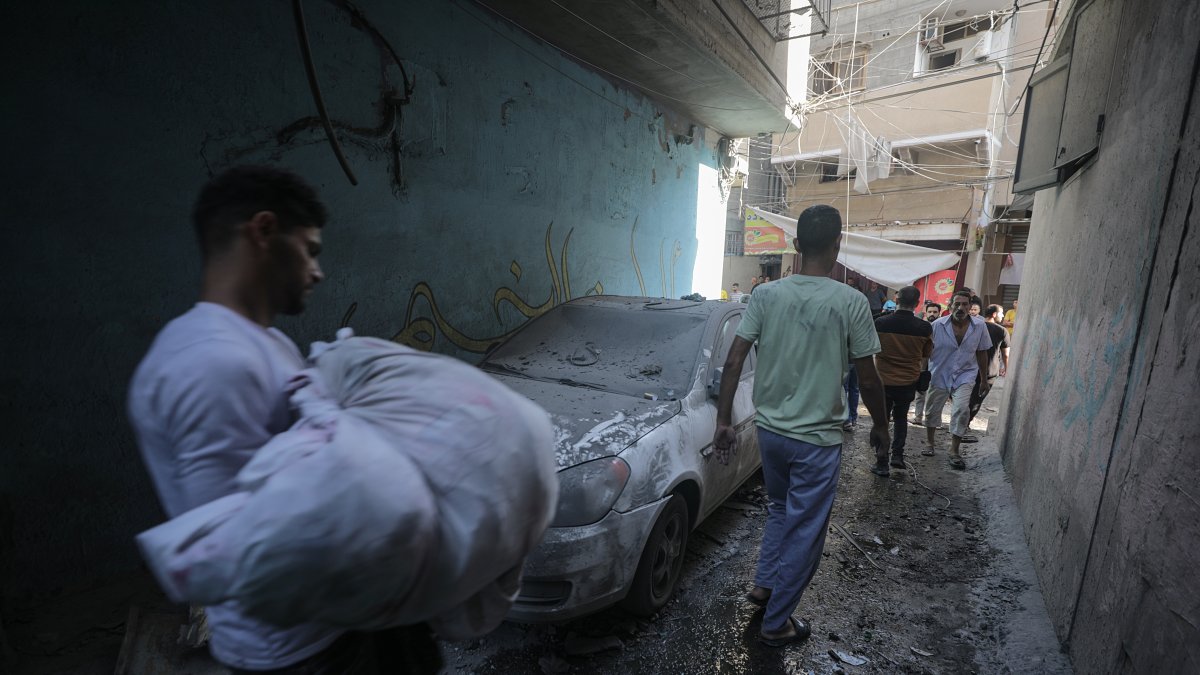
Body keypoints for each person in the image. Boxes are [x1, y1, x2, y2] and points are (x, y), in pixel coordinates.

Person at [128, 166, 441, 673]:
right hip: (299, 652)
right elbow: (242, 551)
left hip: (340, 626)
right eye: (311, 249)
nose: (317, 271)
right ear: (264, 230)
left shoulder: (264, 343)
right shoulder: (211, 361)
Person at [712, 205, 889, 646]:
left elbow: (734, 358)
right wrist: (882, 428)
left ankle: (764, 585)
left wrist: (723, 420)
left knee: (778, 510)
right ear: (837, 245)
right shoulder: (850, 302)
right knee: (806, 531)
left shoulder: (766, 295)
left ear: (795, 246)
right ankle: (777, 623)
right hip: (816, 441)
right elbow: (869, 377)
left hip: (770, 433)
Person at [921, 290, 992, 470]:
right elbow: (926, 351)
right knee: (931, 410)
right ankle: (930, 443)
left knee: (961, 410)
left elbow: (982, 352)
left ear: (970, 306)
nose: (961, 308)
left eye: (965, 304)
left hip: (965, 374)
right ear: (950, 305)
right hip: (939, 372)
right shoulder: (937, 325)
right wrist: (922, 373)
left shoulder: (979, 326)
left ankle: (954, 450)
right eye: (957, 304)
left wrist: (983, 379)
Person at [873, 286, 932, 468]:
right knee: (901, 418)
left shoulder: (881, 323)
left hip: (882, 379)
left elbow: (872, 348)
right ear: (917, 303)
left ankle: (881, 461)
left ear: (897, 301)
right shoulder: (924, 327)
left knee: (881, 421)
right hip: (908, 381)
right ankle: (897, 456)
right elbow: (927, 354)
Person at [962, 303, 1011, 442]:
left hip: (969, 368)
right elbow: (1006, 354)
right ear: (994, 314)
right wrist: (1007, 369)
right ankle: (965, 424)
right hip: (990, 370)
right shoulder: (1002, 331)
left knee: (965, 397)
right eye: (1001, 313)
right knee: (976, 400)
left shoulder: (974, 326)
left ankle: (961, 423)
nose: (1002, 316)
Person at [911, 302, 943, 427]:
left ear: (939, 313)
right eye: (930, 312)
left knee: (936, 394)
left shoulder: (942, 327)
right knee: (920, 391)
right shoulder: (921, 327)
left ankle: (934, 421)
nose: (932, 314)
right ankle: (918, 417)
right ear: (926, 312)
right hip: (922, 363)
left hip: (938, 364)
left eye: (935, 312)